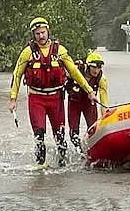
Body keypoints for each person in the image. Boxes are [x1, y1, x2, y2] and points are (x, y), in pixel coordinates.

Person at [8, 17, 97, 168]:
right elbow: (17, 75)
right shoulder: (27, 53)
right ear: (33, 35)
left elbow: (75, 73)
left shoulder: (60, 51)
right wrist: (13, 98)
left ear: (48, 32)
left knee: (60, 134)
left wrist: (89, 91)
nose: (41, 36)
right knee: (39, 133)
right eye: (37, 34)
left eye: (43, 32)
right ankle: (40, 164)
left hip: (56, 98)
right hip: (36, 98)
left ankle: (63, 164)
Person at [65, 51, 109, 153]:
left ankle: (92, 150)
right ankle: (79, 151)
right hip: (74, 103)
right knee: (73, 133)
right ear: (88, 66)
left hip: (89, 104)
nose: (96, 70)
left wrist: (106, 116)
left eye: (99, 67)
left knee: (93, 130)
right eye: (94, 67)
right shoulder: (77, 70)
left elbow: (104, 99)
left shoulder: (101, 79)